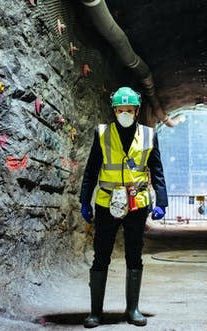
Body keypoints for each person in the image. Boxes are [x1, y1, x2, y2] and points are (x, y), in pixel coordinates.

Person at [79, 86, 168, 328]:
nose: (125, 113)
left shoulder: (149, 135)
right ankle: (95, 312)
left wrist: (162, 201)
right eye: (120, 109)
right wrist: (84, 199)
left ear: (137, 111)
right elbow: (91, 170)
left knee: (134, 253)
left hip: (136, 204)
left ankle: (133, 310)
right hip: (107, 202)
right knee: (102, 254)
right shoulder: (102, 134)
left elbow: (157, 172)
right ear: (114, 110)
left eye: (129, 110)